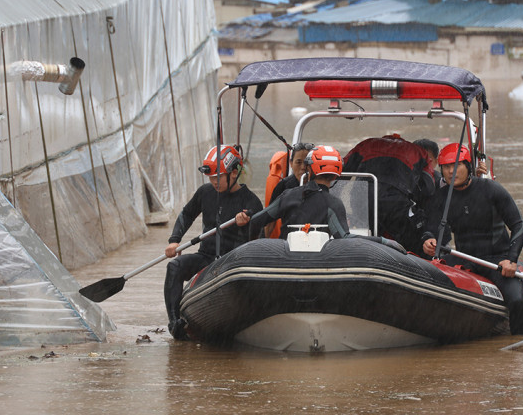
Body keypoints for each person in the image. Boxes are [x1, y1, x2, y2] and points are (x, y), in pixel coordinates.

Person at [420, 143, 523, 335]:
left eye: (455, 166)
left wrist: (511, 259)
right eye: (445, 167)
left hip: (496, 259)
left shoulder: (491, 189)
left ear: (468, 167)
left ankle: (521, 348)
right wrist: (428, 240)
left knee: (516, 300)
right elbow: (431, 229)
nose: (450, 171)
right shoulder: (441, 197)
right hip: (463, 258)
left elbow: (518, 225)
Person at [164, 145, 263, 340]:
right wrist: (174, 241)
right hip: (206, 257)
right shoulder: (205, 192)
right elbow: (186, 214)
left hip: (232, 262)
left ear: (234, 173)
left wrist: (248, 223)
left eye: (218, 177)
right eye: (211, 178)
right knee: (174, 267)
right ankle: (175, 324)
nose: (214, 182)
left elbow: (258, 240)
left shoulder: (251, 202)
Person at [254, 145, 402, 251]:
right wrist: (383, 241)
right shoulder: (333, 203)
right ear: (335, 175)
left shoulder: (288, 194)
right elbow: (344, 239)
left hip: (284, 260)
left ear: (310, 169)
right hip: (317, 264)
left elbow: (257, 220)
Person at [264, 142, 315, 237]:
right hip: (287, 241)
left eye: (307, 162)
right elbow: (270, 223)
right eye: (298, 162)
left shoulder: (320, 185)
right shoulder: (283, 186)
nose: (303, 167)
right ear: (291, 163)